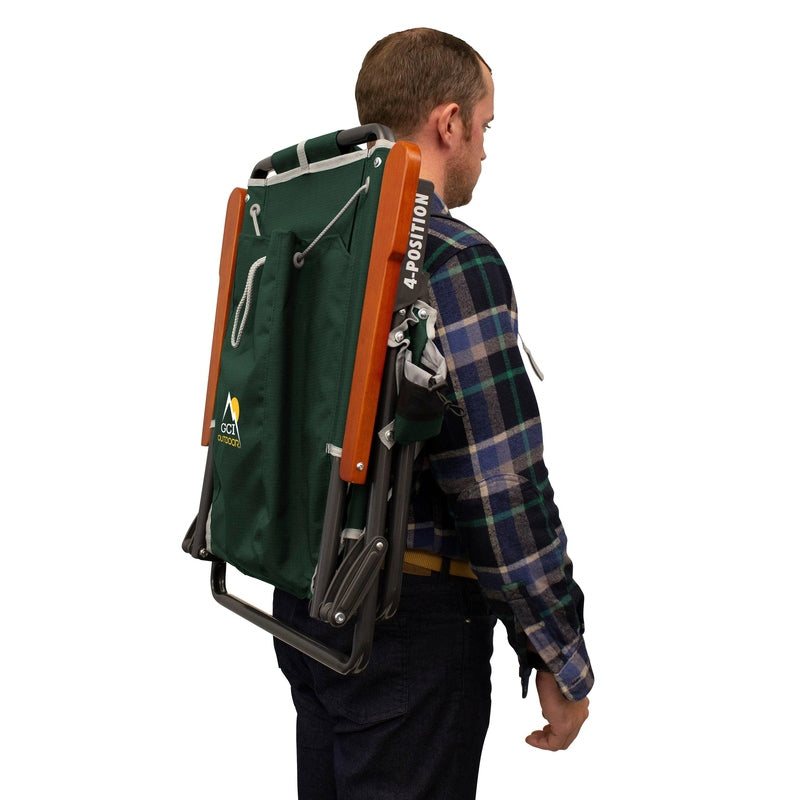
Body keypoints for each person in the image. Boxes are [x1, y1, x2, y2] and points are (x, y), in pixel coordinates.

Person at [273, 27, 593, 799]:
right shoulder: (451, 258)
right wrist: (557, 650)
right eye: (484, 126)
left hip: (307, 592)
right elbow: (499, 484)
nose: (484, 149)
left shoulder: (314, 236)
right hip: (406, 620)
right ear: (448, 122)